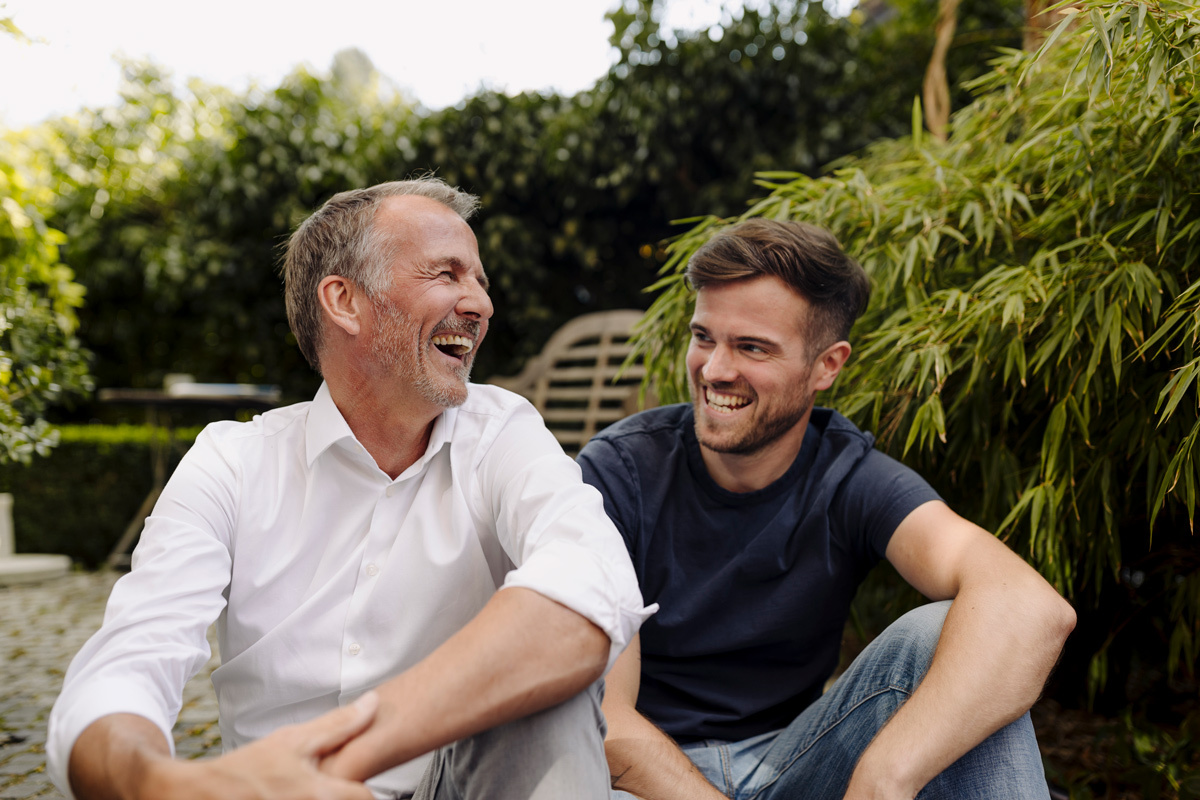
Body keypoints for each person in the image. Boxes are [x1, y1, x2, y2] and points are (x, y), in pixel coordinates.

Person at [47, 177, 653, 800]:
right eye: (446, 274)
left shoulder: (504, 432)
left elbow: (589, 581)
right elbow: (125, 667)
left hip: (459, 786)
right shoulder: (232, 463)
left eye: (480, 281)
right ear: (344, 300)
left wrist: (336, 757)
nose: (480, 304)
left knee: (544, 688)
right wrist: (165, 786)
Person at [577, 218, 1077, 800]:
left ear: (827, 366)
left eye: (752, 347)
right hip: (645, 780)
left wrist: (887, 775)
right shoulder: (619, 473)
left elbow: (1029, 606)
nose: (714, 370)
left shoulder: (848, 476)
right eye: (704, 337)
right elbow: (606, 719)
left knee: (963, 638)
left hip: (796, 762)